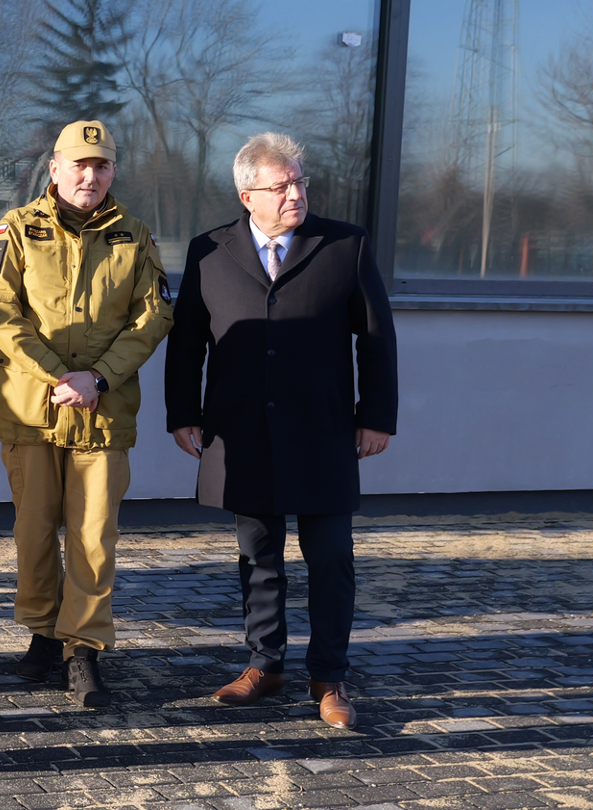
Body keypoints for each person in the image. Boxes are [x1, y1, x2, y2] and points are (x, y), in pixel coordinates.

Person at [164, 132, 398, 731]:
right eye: (281, 185)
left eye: (299, 182)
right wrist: (183, 413)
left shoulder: (344, 245)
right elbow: (188, 341)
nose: (295, 194)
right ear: (248, 195)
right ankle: (265, 664)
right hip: (241, 431)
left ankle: (329, 676)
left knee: (330, 558)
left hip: (321, 431)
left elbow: (375, 338)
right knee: (258, 556)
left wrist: (376, 415)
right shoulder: (208, 250)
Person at [0, 120, 173, 708]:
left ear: (114, 171)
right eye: (79, 164)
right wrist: (58, 376)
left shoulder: (134, 237)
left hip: (103, 411)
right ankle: (41, 637)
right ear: (54, 168)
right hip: (32, 407)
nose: (90, 176)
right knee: (34, 530)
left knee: (92, 537)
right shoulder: (15, 229)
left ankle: (82, 648)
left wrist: (98, 377)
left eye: (102, 165)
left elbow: (153, 318)